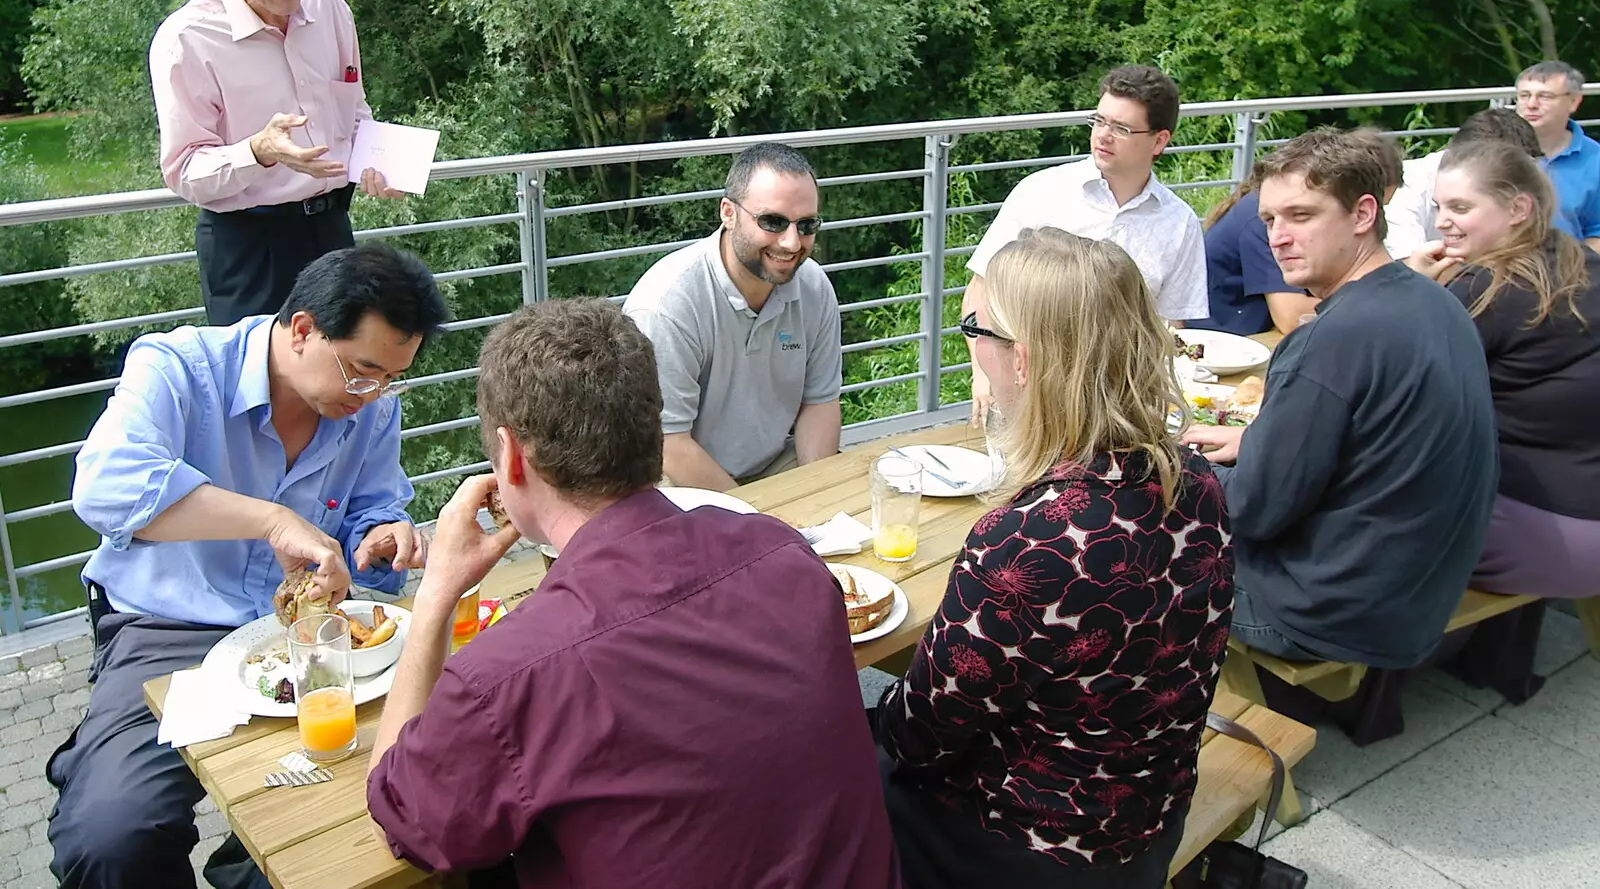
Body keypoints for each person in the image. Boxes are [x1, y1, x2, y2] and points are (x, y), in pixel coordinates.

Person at [366, 298, 899, 888]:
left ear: (511, 456)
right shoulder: (785, 555)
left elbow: (404, 819)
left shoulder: (509, 677)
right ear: (652, 425)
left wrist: (437, 593)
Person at [47, 243, 449, 889]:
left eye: (389, 379)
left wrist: (382, 534)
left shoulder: (371, 406)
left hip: (312, 635)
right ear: (301, 330)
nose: (373, 394)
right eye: (361, 371)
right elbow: (103, 487)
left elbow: (373, 506)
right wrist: (269, 519)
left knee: (366, 817)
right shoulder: (177, 368)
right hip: (168, 633)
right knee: (110, 837)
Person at [876, 227, 1232, 889]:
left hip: (1025, 851)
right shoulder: (1198, 482)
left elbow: (918, 736)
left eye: (976, 329)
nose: (972, 346)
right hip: (1149, 823)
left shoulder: (1026, 541)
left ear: (1024, 361)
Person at [1182, 129, 1497, 668]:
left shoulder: (1330, 339)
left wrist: (1172, 463)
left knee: (1130, 548)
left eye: (1300, 216)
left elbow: (1255, 510)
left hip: (1328, 615)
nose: (1278, 237)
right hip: (1418, 598)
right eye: (1269, 221)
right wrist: (1257, 441)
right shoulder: (1434, 300)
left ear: (1362, 214)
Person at [151, 0, 407, 327]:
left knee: (342, 382)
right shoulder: (187, 39)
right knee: (262, 393)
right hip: (251, 248)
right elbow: (185, 172)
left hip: (332, 231)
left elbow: (354, 114)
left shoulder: (328, 6)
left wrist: (379, 162)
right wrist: (259, 151)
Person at [1405, 140, 1600, 596]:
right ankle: (1497, 665)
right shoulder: (1583, 264)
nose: (1442, 221)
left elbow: (1389, 382)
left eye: (1460, 206)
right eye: (1438, 206)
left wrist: (1409, 288)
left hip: (1542, 538)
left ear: (1518, 208)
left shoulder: (1486, 290)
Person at [964, 65, 1208, 423]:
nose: (1103, 136)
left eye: (1121, 128)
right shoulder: (1041, 192)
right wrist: (983, 376)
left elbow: (1169, 328)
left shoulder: (1180, 222)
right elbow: (980, 290)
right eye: (1099, 121)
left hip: (1120, 409)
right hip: (1029, 396)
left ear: (1159, 141)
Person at [623, 142, 842, 489]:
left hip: (772, 463)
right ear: (728, 213)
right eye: (773, 221)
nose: (791, 243)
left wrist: (817, 494)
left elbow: (820, 403)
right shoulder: (667, 305)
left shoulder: (813, 286)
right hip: (673, 478)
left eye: (806, 225)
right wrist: (753, 522)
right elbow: (670, 444)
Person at [1192, 129, 1400, 336]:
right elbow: (1292, 318)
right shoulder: (1264, 219)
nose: (1277, 239)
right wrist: (1390, 301)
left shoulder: (1276, 212)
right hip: (1225, 341)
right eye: (1302, 215)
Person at [1384, 108, 1542, 258]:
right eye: (1460, 208)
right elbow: (1408, 270)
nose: (1440, 223)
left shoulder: (1529, 187)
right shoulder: (1405, 187)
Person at [1513, 60, 1600, 253]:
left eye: (1545, 96)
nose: (1531, 105)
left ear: (1574, 101)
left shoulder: (1596, 161)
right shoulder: (1493, 152)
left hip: (1573, 273)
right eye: (1524, 95)